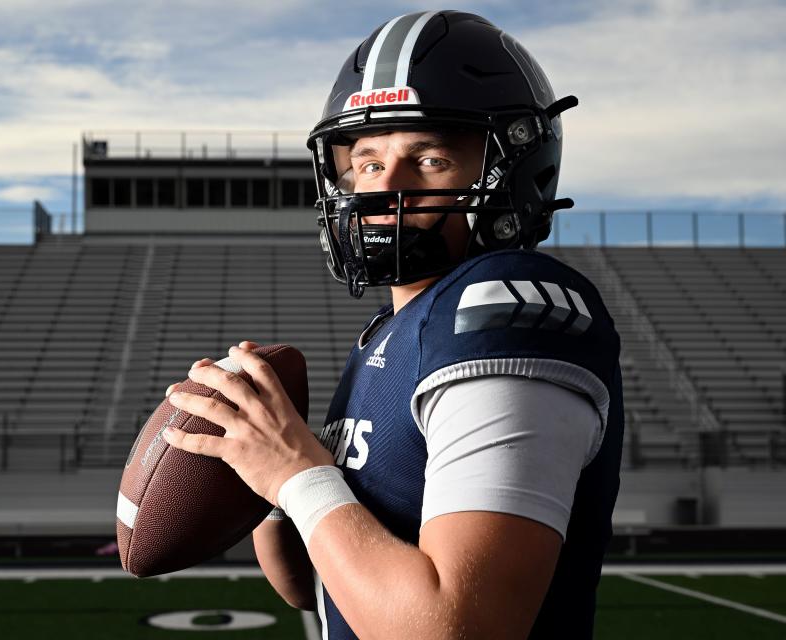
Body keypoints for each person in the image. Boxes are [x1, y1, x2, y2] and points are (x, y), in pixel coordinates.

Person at [163, 10, 623, 639]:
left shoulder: (503, 311)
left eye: (430, 159)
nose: (385, 189)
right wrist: (271, 486)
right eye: (368, 163)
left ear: (512, 170)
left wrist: (297, 473)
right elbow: (315, 588)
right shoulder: (391, 330)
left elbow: (454, 627)